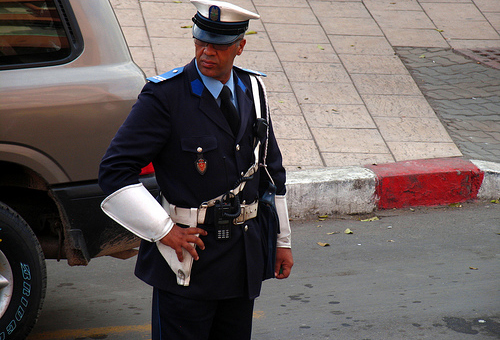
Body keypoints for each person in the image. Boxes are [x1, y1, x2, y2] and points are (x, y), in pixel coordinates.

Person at [98, 0, 293, 339]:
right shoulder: (165, 97)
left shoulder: (254, 90)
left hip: (241, 260)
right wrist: (163, 231)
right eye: (200, 41)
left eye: (218, 46)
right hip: (188, 260)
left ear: (240, 47)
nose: (206, 52)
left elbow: (271, 172)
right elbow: (114, 171)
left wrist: (282, 240)